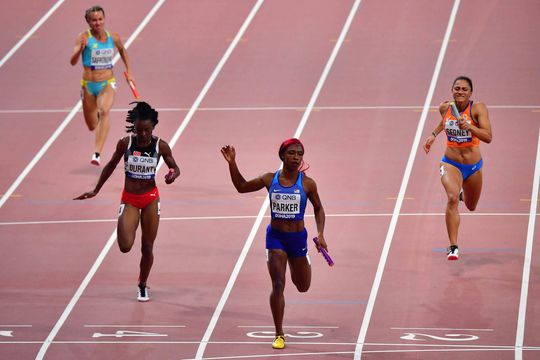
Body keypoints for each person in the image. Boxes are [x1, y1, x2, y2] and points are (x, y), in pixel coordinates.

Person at [221, 139, 328, 349]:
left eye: (299, 154)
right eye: (291, 153)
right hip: (276, 238)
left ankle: (303, 259)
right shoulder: (270, 179)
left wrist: (321, 234)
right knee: (278, 284)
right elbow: (241, 187)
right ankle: (279, 334)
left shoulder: (307, 184)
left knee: (303, 287)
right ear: (282, 155)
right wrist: (232, 163)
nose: (296, 157)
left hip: (298, 240)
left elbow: (319, 208)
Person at [74, 102, 180, 301]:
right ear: (134, 127)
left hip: (150, 200)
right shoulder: (126, 143)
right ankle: (139, 275)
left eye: (147, 131)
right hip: (130, 199)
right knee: (125, 246)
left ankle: (142, 284)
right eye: (139, 130)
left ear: (153, 128)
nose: (143, 135)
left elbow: (175, 167)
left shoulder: (161, 146)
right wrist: (96, 190)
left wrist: (172, 174)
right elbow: (111, 165)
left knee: (147, 247)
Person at [423, 76, 492, 260]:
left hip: (473, 166)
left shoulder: (478, 108)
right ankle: (453, 246)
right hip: (450, 162)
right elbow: (444, 122)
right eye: (457, 88)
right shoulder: (445, 107)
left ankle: (463, 194)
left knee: (471, 206)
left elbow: (488, 136)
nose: (460, 92)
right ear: (452, 90)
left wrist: (470, 127)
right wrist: (433, 135)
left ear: (470, 93)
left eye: (464, 89)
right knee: (452, 198)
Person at [70, 5, 135, 166]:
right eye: (94, 20)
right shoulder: (83, 37)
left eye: (100, 19)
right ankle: (98, 116)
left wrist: (129, 71)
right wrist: (80, 50)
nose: (97, 23)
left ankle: (96, 154)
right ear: (88, 22)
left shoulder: (113, 37)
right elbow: (72, 62)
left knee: (105, 111)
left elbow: (122, 50)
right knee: (92, 125)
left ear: (104, 19)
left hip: (107, 82)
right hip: (88, 85)